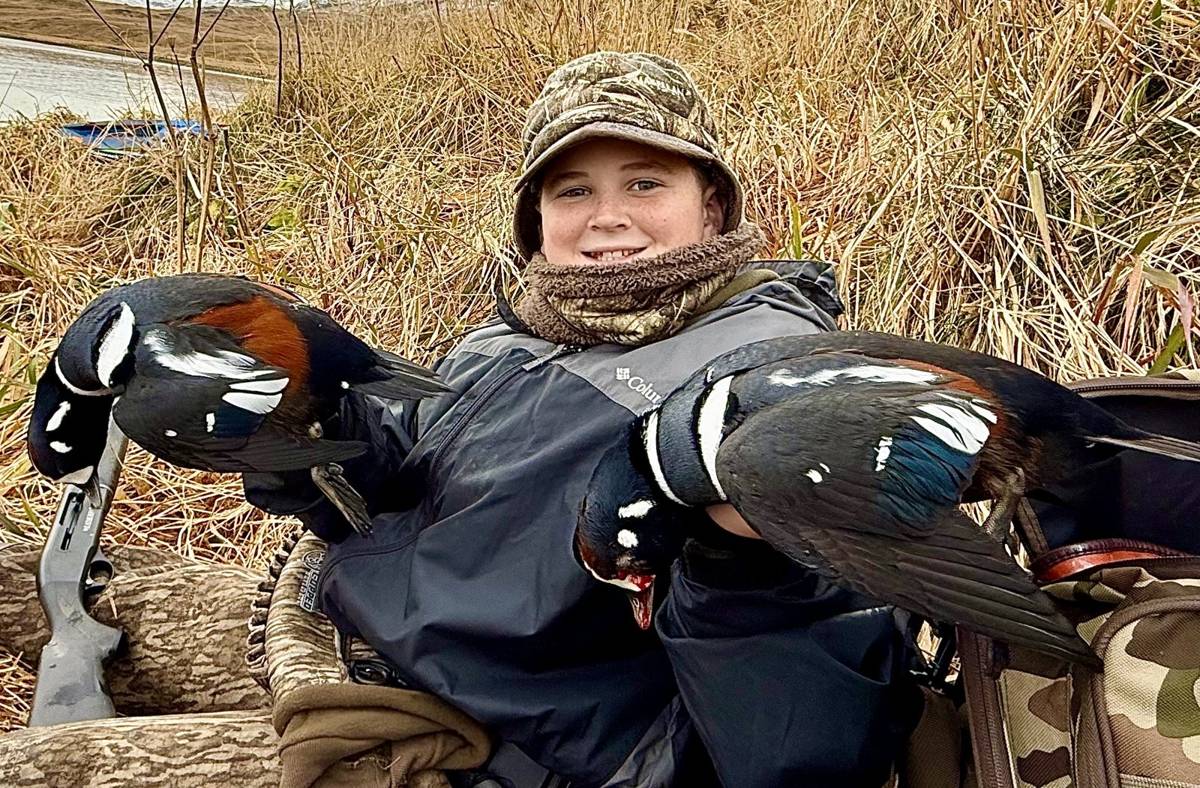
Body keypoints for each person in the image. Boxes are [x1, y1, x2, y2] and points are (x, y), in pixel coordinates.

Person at [0, 52, 921, 787]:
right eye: (572, 191)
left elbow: (802, 748)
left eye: (646, 183)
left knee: (36, 771)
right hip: (341, 625)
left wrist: (744, 562)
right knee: (30, 585)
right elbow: (401, 476)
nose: (607, 219)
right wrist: (299, 425)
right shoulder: (527, 329)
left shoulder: (774, 385)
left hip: (476, 739)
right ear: (534, 217)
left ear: (711, 204)